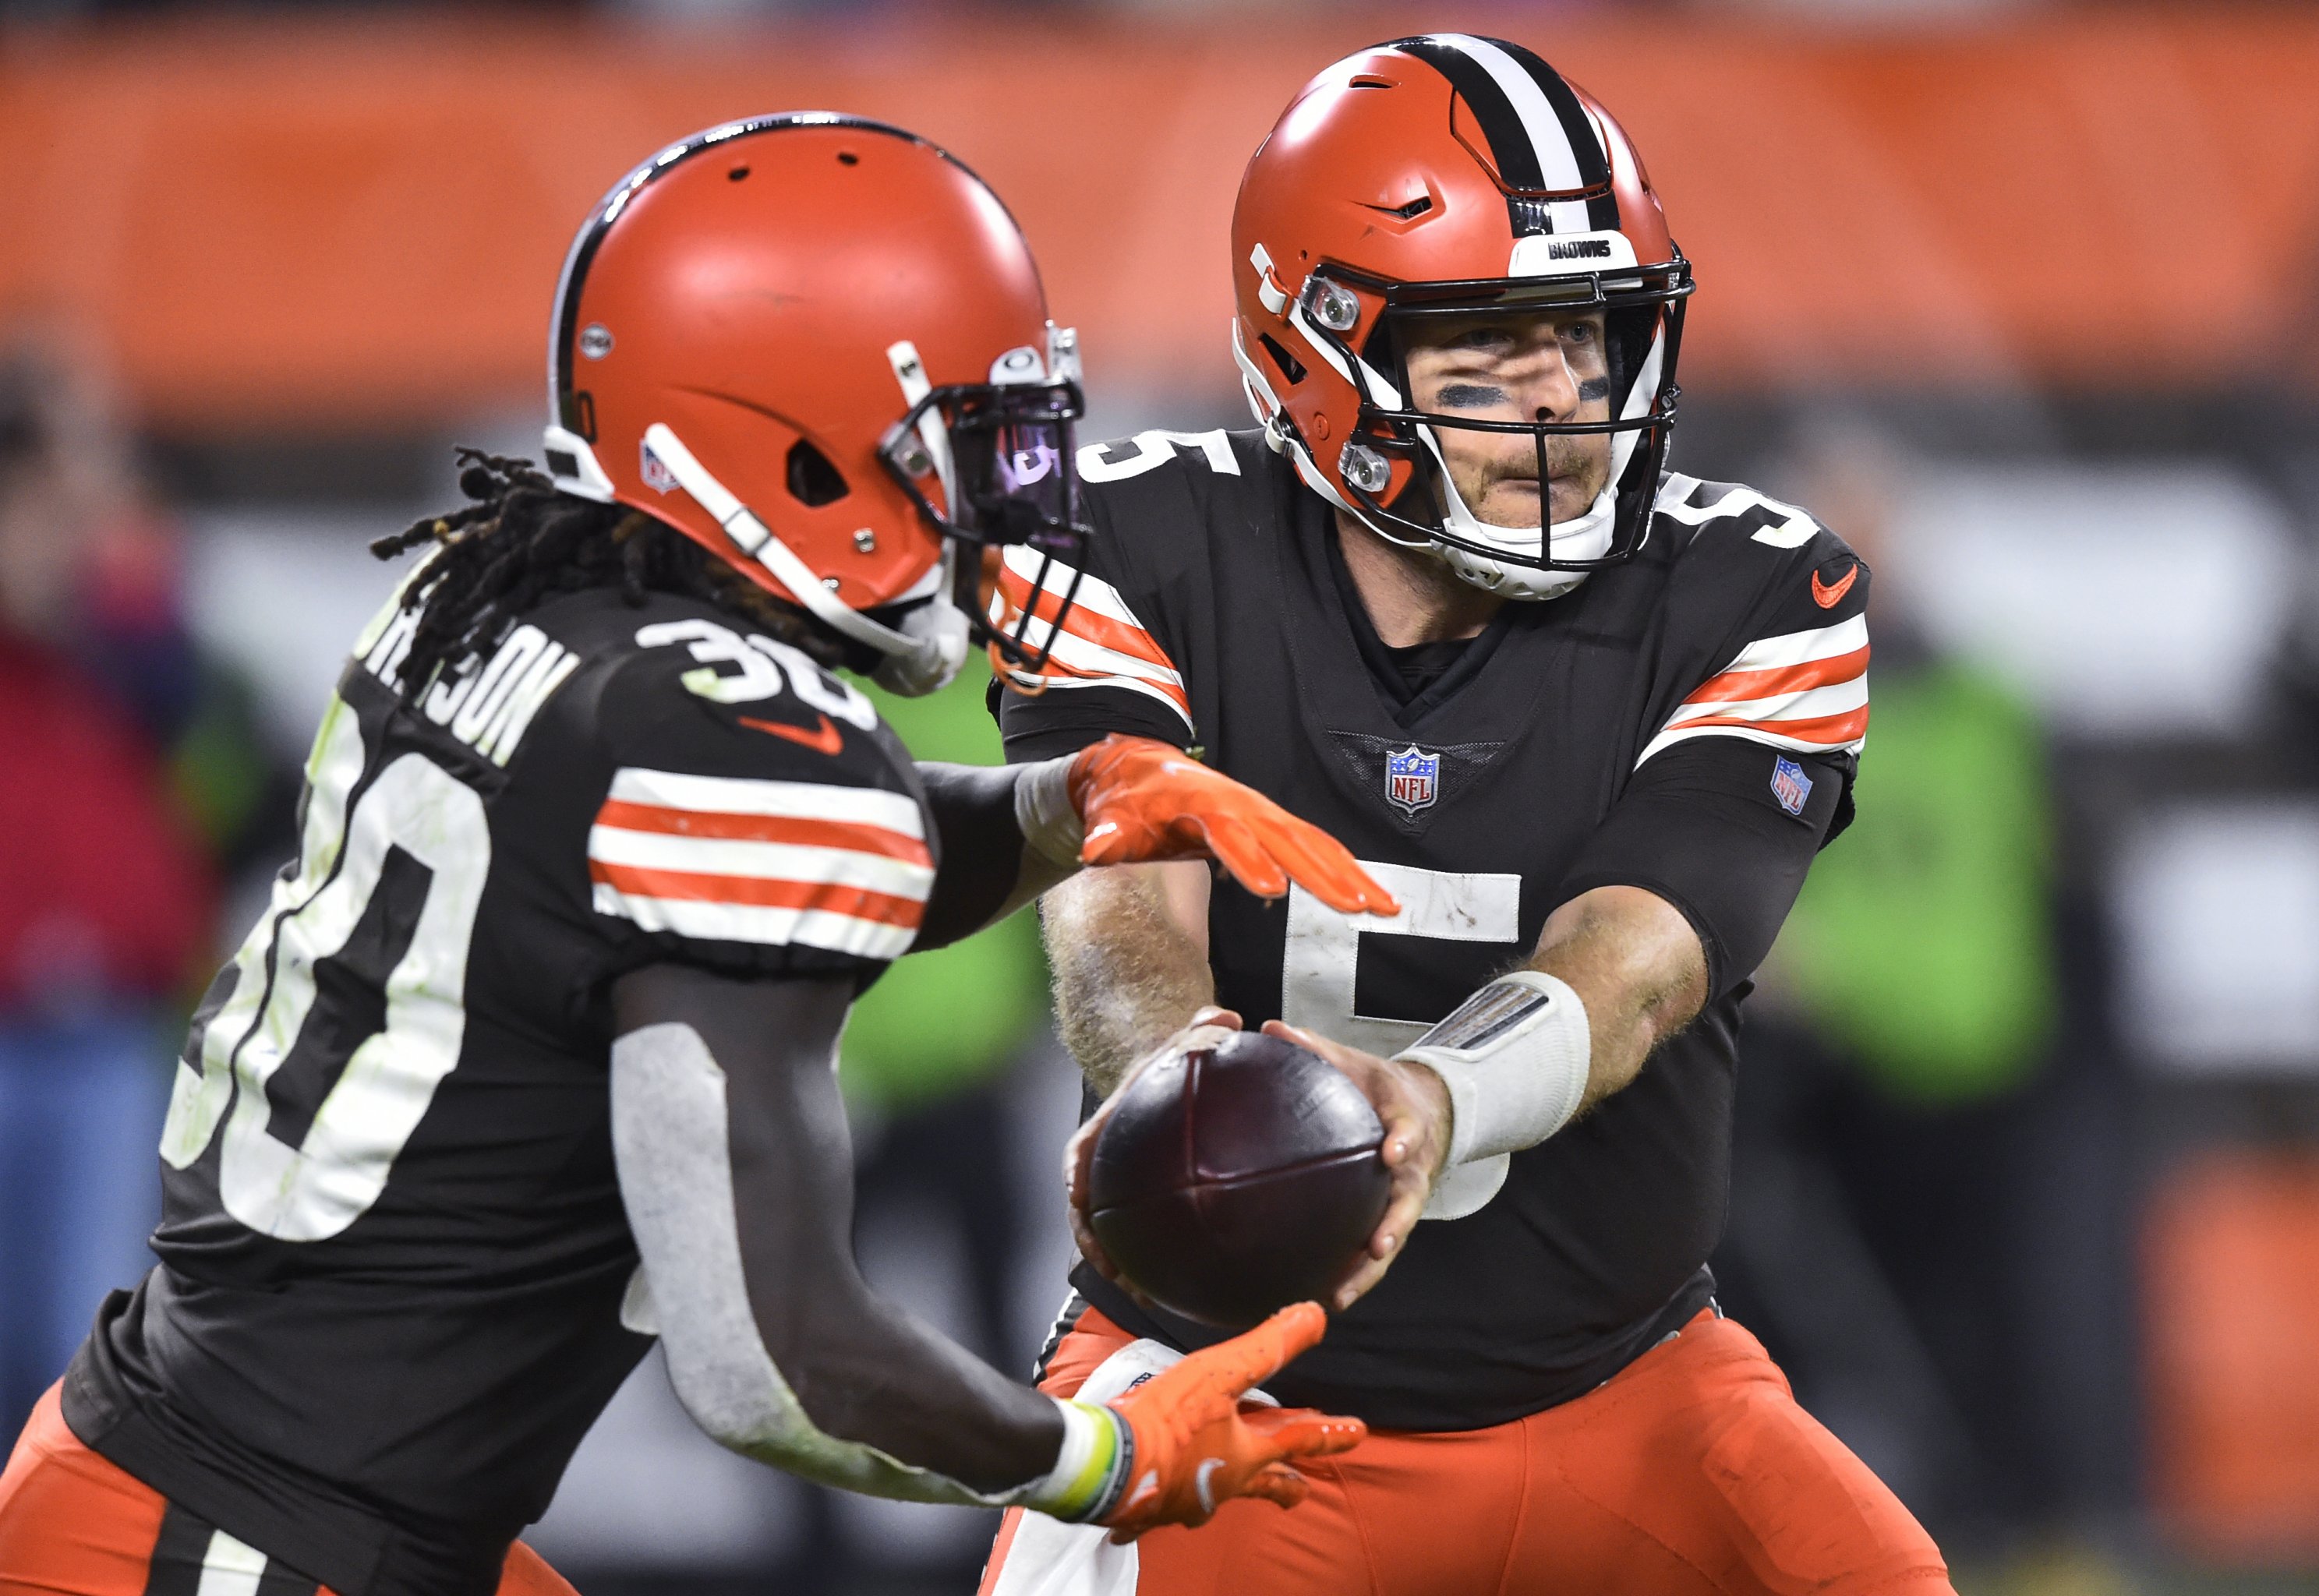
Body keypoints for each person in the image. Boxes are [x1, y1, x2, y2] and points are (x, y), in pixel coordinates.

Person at [0, 115, 1395, 1596]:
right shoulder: (725, 747)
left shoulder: (497, 592)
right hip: (248, 1543)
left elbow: (722, 858)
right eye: (965, 451)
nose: (1003, 512)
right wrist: (1098, 1463)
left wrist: (1068, 803)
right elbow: (772, 1362)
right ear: (793, 454)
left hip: (228, 1480)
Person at [977, 37, 1954, 1596]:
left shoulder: (1757, 587)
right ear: (1320, 353)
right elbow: (1119, 913)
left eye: (1584, 338)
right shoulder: (1127, 544)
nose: (1566, 402)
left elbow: (1638, 957)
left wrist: (1421, 1104)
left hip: (1627, 1387)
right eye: (1490, 353)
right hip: (1227, 1387)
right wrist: (1187, 1084)